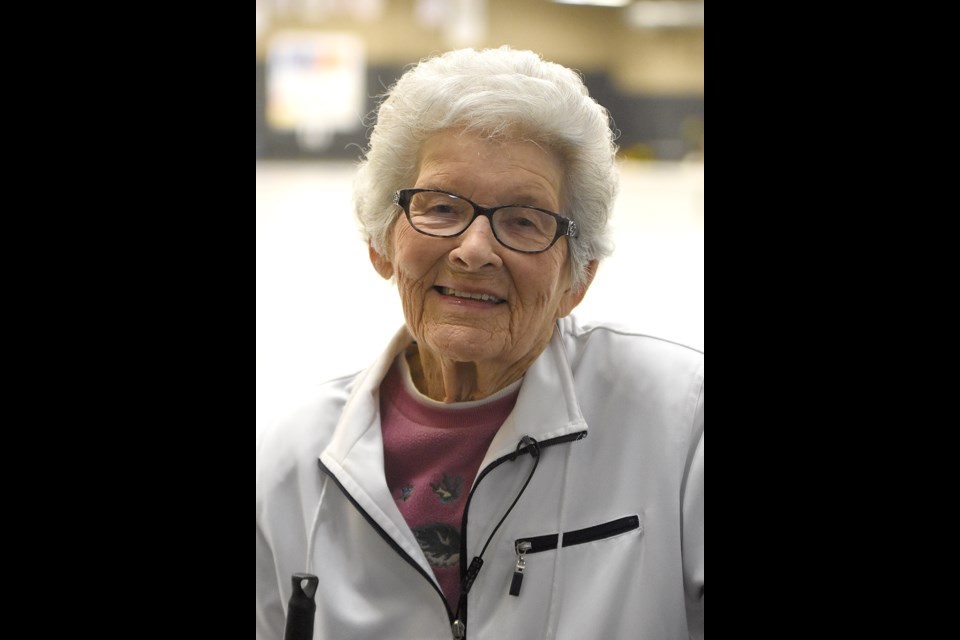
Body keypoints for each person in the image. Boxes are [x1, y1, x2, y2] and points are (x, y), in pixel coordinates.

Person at [256, 46, 703, 640]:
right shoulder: (291, 457)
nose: (473, 250)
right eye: (441, 208)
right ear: (381, 243)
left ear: (580, 277)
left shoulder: (682, 423)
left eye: (523, 221)